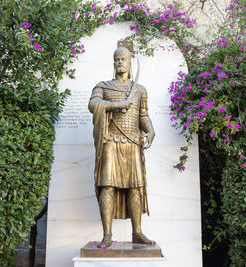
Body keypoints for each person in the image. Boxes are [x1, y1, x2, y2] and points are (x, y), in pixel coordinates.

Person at [88, 46, 155, 247]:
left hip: (132, 142)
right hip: (110, 142)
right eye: (116, 59)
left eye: (123, 59)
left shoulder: (140, 90)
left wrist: (151, 131)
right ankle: (107, 234)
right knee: (107, 185)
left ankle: (137, 232)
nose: (119, 62)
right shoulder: (104, 86)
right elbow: (93, 104)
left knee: (135, 188)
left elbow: (143, 115)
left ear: (129, 62)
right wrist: (117, 105)